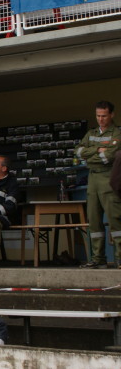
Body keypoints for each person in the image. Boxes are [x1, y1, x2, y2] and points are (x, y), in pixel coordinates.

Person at [78, 100, 121, 269]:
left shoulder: (117, 133)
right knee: (94, 220)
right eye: (98, 116)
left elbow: (109, 156)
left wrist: (89, 156)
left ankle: (120, 258)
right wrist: (97, 150)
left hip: (108, 178)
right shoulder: (91, 133)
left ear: (112, 115)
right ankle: (98, 259)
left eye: (104, 116)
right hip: (92, 179)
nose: (100, 119)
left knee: (115, 219)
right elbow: (79, 152)